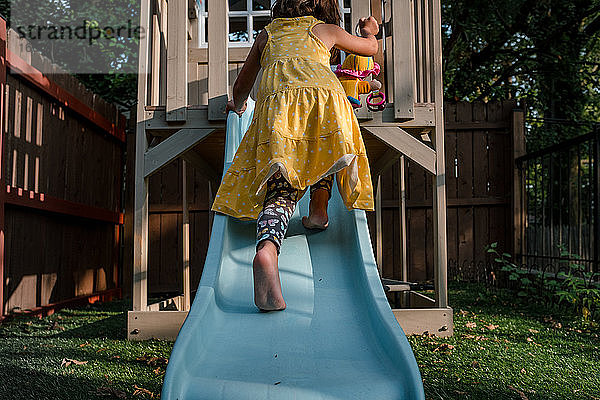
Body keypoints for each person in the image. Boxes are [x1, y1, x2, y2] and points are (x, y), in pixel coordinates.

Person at [211, 0, 379, 312]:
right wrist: (370, 32)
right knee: (324, 153)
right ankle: (318, 210)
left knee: (281, 189)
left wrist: (238, 103)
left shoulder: (267, 35)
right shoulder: (325, 30)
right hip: (325, 104)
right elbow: (369, 50)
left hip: (279, 114)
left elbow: (243, 82)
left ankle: (268, 249)